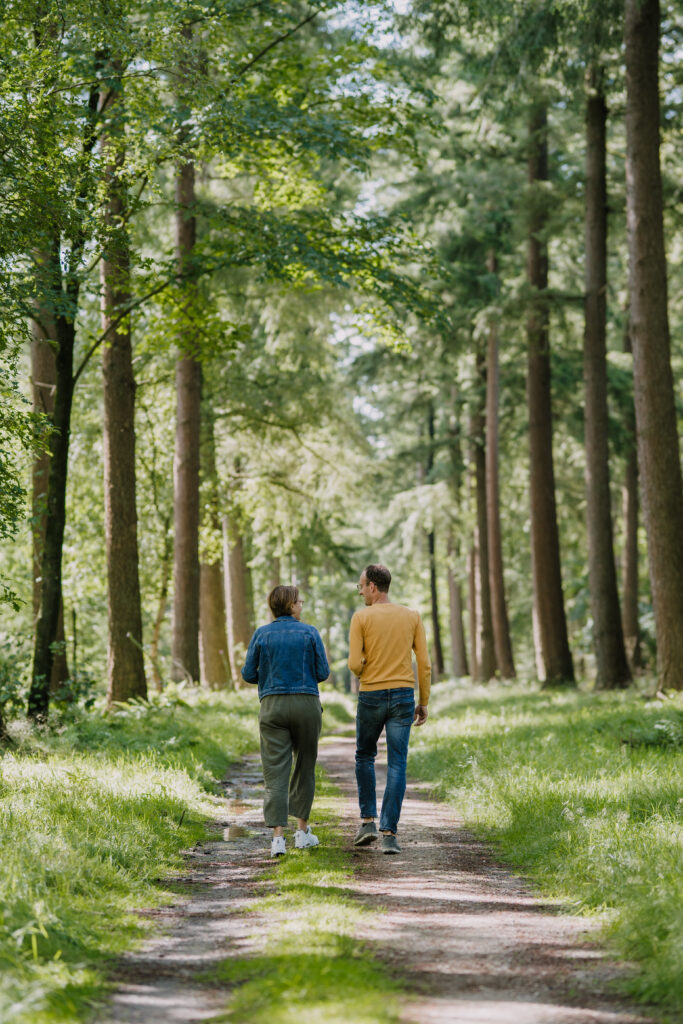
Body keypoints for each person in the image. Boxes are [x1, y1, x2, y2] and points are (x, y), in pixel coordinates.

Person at [348, 564, 430, 855]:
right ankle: (389, 833)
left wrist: (366, 667)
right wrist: (424, 701)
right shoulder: (412, 616)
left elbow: (355, 665)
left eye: (361, 586)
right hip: (403, 697)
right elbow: (424, 662)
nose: (360, 591)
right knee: (398, 762)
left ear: (373, 587)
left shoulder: (361, 617)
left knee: (365, 755)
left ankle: (368, 821)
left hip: (371, 694)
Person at [242, 584, 329, 857]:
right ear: (290, 605)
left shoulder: (261, 634)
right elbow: (323, 672)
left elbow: (248, 673)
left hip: (272, 706)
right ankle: (302, 833)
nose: (301, 605)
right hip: (306, 704)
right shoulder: (310, 633)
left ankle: (278, 839)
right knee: (304, 765)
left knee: (275, 771)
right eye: (299, 602)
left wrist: (268, 676)